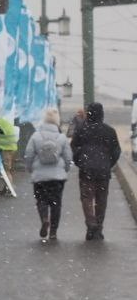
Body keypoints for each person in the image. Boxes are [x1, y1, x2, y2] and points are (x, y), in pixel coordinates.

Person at [70, 101, 121, 241]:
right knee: (101, 199)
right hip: (103, 171)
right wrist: (108, 163)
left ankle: (90, 223)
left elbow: (73, 148)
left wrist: (80, 162)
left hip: (86, 170)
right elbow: (116, 151)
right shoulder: (109, 131)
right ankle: (98, 228)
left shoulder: (81, 129)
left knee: (87, 197)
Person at [24, 106, 72, 243]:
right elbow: (68, 157)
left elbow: (28, 155)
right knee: (56, 204)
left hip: (40, 176)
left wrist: (31, 169)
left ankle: (45, 219)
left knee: (41, 200)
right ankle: (53, 232)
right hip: (58, 177)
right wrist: (65, 170)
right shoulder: (61, 137)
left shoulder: (36, 136)